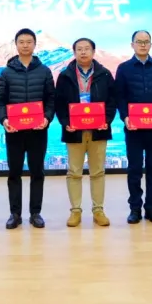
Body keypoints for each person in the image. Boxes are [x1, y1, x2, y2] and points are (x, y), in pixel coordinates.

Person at [0, 28, 56, 230]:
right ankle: (15, 214)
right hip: (14, 131)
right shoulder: (7, 72)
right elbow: (0, 101)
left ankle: (35, 213)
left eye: (29, 42)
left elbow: (51, 99)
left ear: (35, 44)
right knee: (14, 172)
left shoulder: (44, 71)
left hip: (38, 130)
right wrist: (4, 120)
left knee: (37, 172)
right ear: (16, 45)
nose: (25, 45)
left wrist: (47, 118)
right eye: (21, 42)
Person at [54, 38, 117, 227]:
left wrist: (106, 120)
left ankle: (98, 210)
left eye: (87, 49)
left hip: (98, 130)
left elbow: (112, 101)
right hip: (74, 131)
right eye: (79, 49)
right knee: (74, 172)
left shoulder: (105, 74)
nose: (83, 52)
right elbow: (59, 103)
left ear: (93, 52)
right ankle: (75, 211)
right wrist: (66, 123)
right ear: (74, 53)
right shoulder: (65, 76)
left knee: (98, 171)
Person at [114, 30, 152, 224]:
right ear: (132, 45)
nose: (143, 45)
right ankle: (135, 208)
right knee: (135, 169)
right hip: (134, 129)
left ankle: (151, 207)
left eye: (146, 42)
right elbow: (120, 96)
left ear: (151, 45)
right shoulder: (124, 68)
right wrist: (125, 117)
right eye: (139, 41)